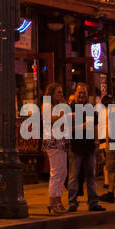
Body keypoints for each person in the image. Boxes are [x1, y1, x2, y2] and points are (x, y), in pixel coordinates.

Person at [67, 85, 105, 212]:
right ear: (75, 93)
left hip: (89, 146)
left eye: (84, 92)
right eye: (79, 92)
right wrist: (83, 126)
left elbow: (94, 126)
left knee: (91, 175)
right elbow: (68, 128)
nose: (82, 95)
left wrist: (96, 142)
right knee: (74, 176)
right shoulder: (70, 108)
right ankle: (72, 202)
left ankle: (93, 202)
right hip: (75, 146)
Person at [44, 85, 69, 215]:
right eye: (58, 92)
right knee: (56, 171)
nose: (61, 94)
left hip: (61, 141)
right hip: (53, 142)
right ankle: (53, 200)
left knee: (63, 171)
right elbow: (52, 119)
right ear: (52, 94)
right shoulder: (47, 106)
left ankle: (58, 199)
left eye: (61, 92)